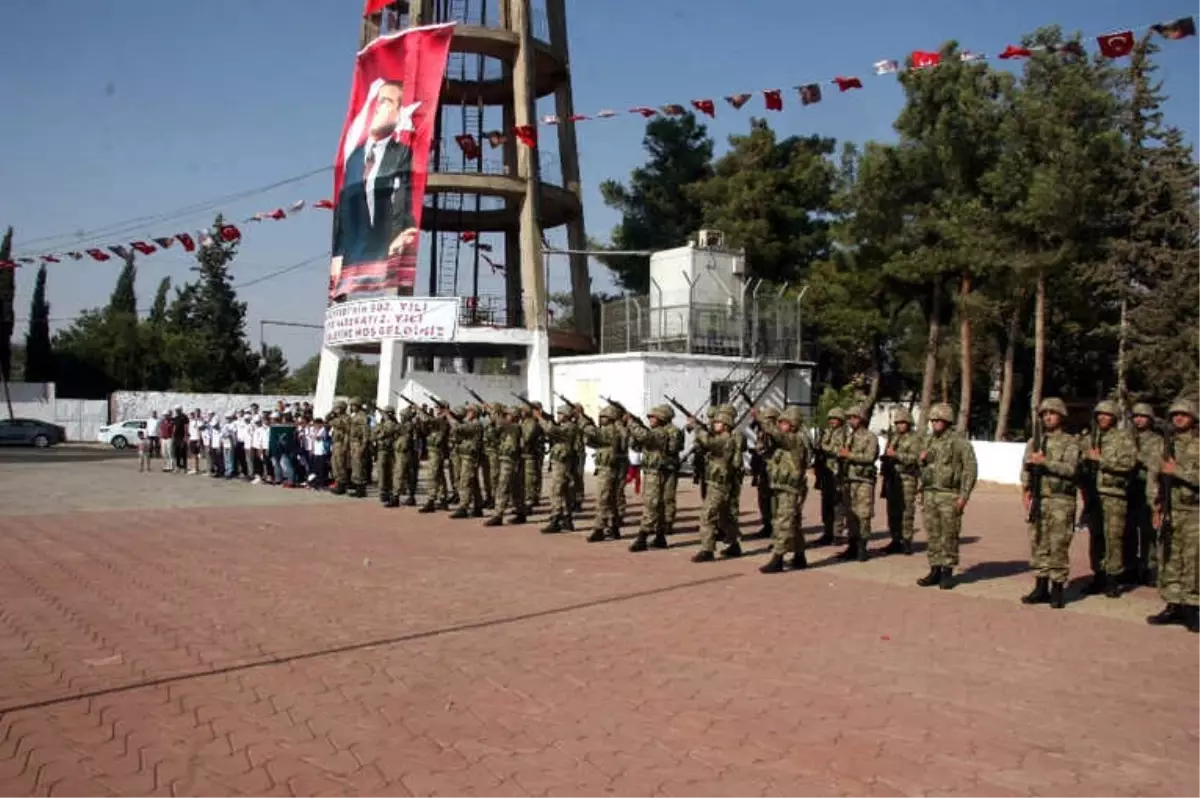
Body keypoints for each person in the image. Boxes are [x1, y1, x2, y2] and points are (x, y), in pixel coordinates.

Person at [330, 80, 419, 297]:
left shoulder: (402, 154)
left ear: (400, 114)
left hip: (388, 257)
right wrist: (337, 254)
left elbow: (404, 199)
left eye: (386, 102)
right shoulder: (354, 157)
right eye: (376, 102)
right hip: (352, 261)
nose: (377, 107)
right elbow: (342, 210)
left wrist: (401, 234)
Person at [1021, 397, 1082, 609]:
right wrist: (1026, 490)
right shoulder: (1034, 442)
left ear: (1061, 416)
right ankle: (1040, 586)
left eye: (1052, 413)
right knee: (1038, 543)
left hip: (1060, 500)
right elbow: (1025, 468)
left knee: (1058, 545)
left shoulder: (1070, 442)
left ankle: (1057, 589)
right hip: (1039, 499)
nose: (1048, 417)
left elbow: (1071, 469)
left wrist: (1045, 462)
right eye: (1044, 414)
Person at [1146, 398, 1200, 632]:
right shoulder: (1164, 445)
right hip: (1170, 510)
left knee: (1194, 560)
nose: (1178, 418)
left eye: (1183, 415)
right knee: (1168, 558)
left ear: (1194, 419)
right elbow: (1152, 477)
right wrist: (1155, 505)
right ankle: (1173, 604)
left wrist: (1176, 471)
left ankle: (1193, 607)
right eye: (1175, 415)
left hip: (1194, 511)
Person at [916, 403, 978, 590]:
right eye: (932, 420)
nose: (934, 423)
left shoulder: (960, 443)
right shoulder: (928, 441)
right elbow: (922, 468)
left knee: (949, 535)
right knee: (933, 534)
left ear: (947, 421)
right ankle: (934, 570)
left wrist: (964, 496)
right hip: (930, 493)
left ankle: (947, 572)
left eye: (938, 420)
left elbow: (970, 469)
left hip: (949, 494)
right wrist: (922, 460)